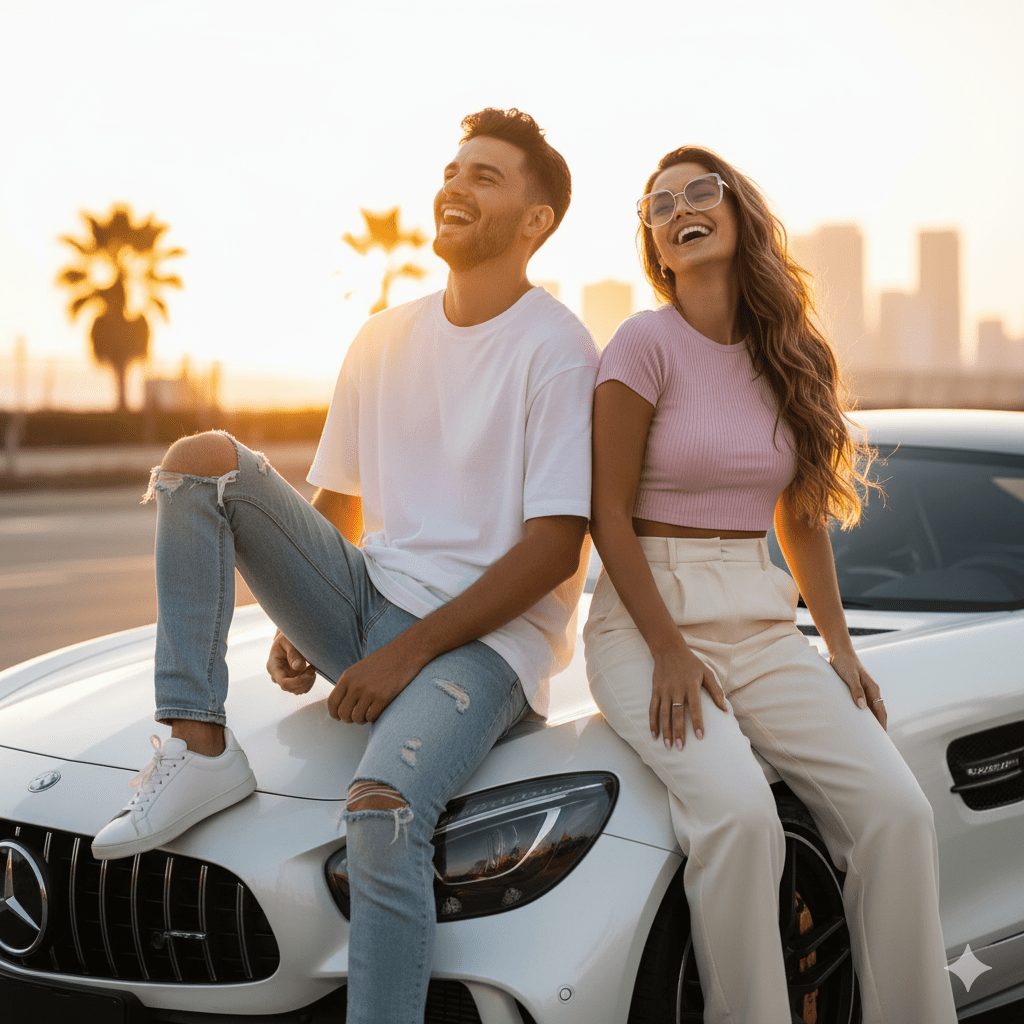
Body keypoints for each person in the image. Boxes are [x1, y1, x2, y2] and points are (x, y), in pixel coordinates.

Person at [91, 107, 598, 1024]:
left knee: (381, 813)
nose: (455, 186)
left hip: (485, 646)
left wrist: (402, 658)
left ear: (536, 220)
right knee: (201, 459)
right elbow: (341, 503)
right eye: (453, 169)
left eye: (486, 176)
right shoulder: (382, 336)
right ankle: (197, 743)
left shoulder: (557, 348)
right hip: (368, 599)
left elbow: (556, 548)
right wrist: (297, 619)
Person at [584, 146, 958, 1023]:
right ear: (657, 246)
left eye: (699, 190)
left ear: (739, 211)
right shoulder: (642, 344)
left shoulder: (789, 353)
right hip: (646, 629)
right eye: (659, 204)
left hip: (759, 626)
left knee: (897, 813)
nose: (680, 207)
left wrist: (838, 647)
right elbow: (606, 513)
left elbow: (800, 522)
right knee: (741, 820)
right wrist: (669, 650)